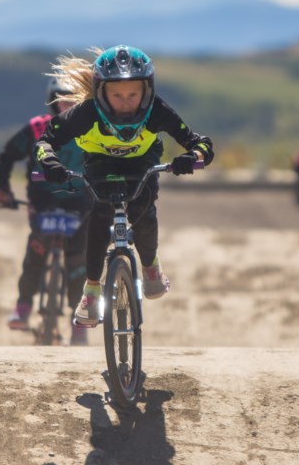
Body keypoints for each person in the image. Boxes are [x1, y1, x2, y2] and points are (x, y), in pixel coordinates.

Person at [34, 45, 214, 326]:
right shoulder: (85, 113)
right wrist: (50, 164)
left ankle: (151, 265)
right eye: (117, 94)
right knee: (100, 215)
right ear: (101, 92)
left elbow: (201, 143)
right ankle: (91, 291)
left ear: (147, 90)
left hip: (143, 163)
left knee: (143, 211)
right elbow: (45, 141)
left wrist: (191, 157)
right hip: (99, 162)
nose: (126, 101)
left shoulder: (157, 111)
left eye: (133, 93)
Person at [0, 76, 91, 345]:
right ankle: (23, 307)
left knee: (77, 263)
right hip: (42, 203)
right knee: (36, 253)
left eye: (75, 99)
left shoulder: (95, 130)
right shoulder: (37, 129)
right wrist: (3, 189)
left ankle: (79, 321)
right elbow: (7, 156)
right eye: (62, 99)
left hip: (82, 205)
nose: (68, 104)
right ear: (53, 102)